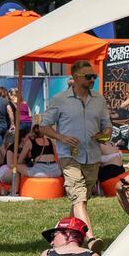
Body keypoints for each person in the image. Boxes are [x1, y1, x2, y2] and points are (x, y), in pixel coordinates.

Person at [33, 60, 113, 227]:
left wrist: (102, 135)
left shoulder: (99, 100)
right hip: (69, 156)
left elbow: (108, 127)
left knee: (81, 200)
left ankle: (66, 230)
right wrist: (61, 137)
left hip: (93, 156)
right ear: (76, 77)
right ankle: (90, 238)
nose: (93, 80)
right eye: (89, 77)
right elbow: (44, 127)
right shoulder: (60, 100)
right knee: (79, 197)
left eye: (94, 76)